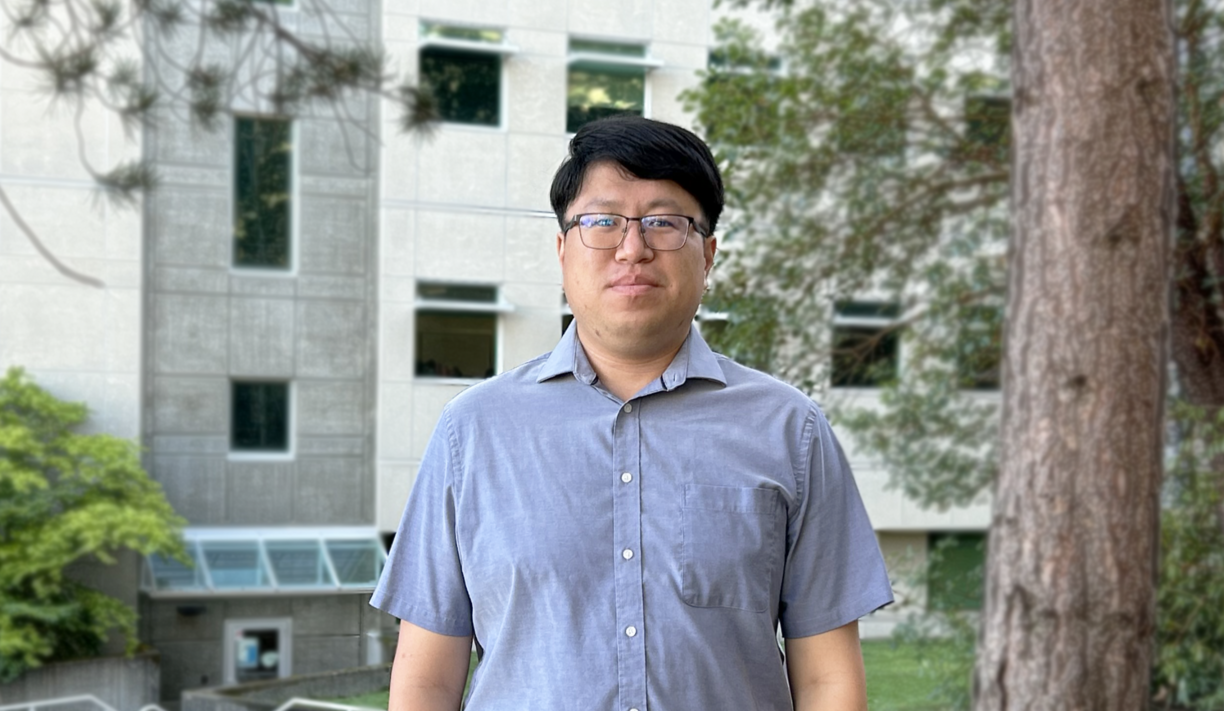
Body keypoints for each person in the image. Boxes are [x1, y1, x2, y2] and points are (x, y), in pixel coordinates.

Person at [370, 115, 894, 711]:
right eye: (602, 221)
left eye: (665, 223)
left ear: (709, 254)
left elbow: (828, 681)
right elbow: (426, 682)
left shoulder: (789, 431)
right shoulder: (473, 431)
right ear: (563, 249)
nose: (632, 248)